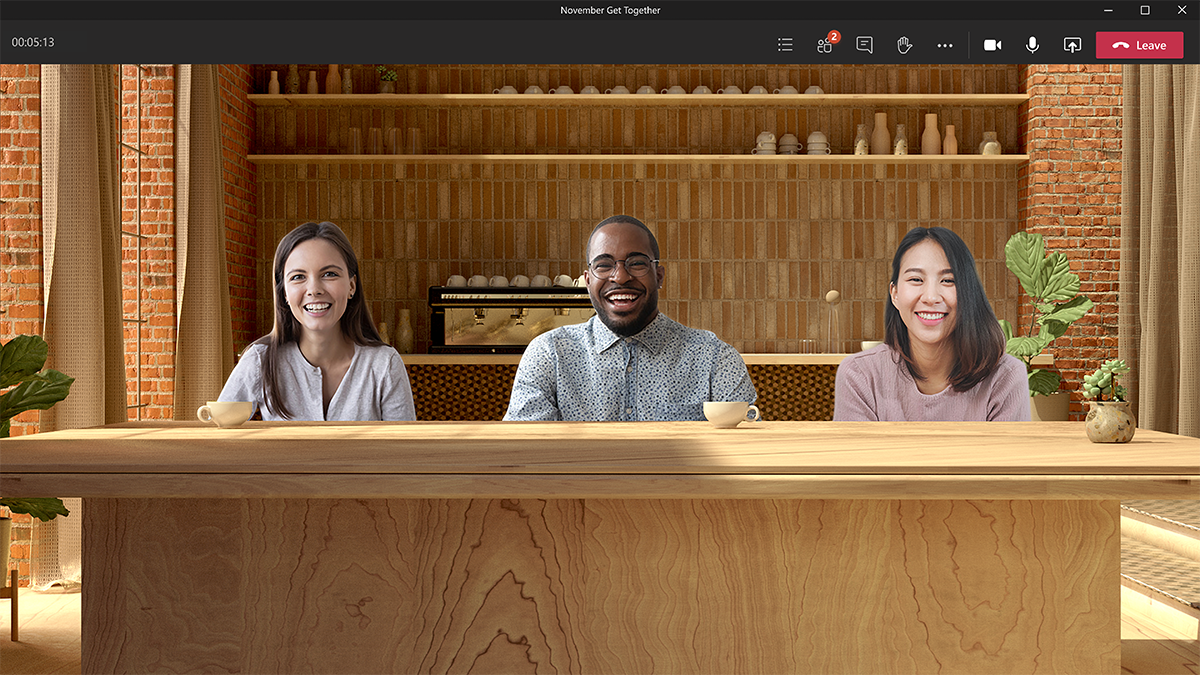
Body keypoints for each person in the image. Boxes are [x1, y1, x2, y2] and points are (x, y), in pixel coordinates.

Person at [504, 215, 756, 421]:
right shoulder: (548, 354)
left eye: (636, 263)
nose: (621, 277)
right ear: (587, 280)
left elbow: (748, 453)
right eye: (604, 265)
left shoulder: (714, 358)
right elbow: (524, 454)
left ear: (658, 276)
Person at [219, 221, 416, 421]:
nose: (314, 289)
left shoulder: (384, 364)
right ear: (284, 293)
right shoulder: (260, 360)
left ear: (351, 286)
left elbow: (406, 450)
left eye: (329, 274)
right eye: (298, 277)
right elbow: (220, 438)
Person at [834, 226, 1030, 421]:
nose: (930, 297)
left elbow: (1007, 453)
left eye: (948, 280)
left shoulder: (1006, 377)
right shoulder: (859, 375)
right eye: (916, 279)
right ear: (894, 294)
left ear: (968, 293)